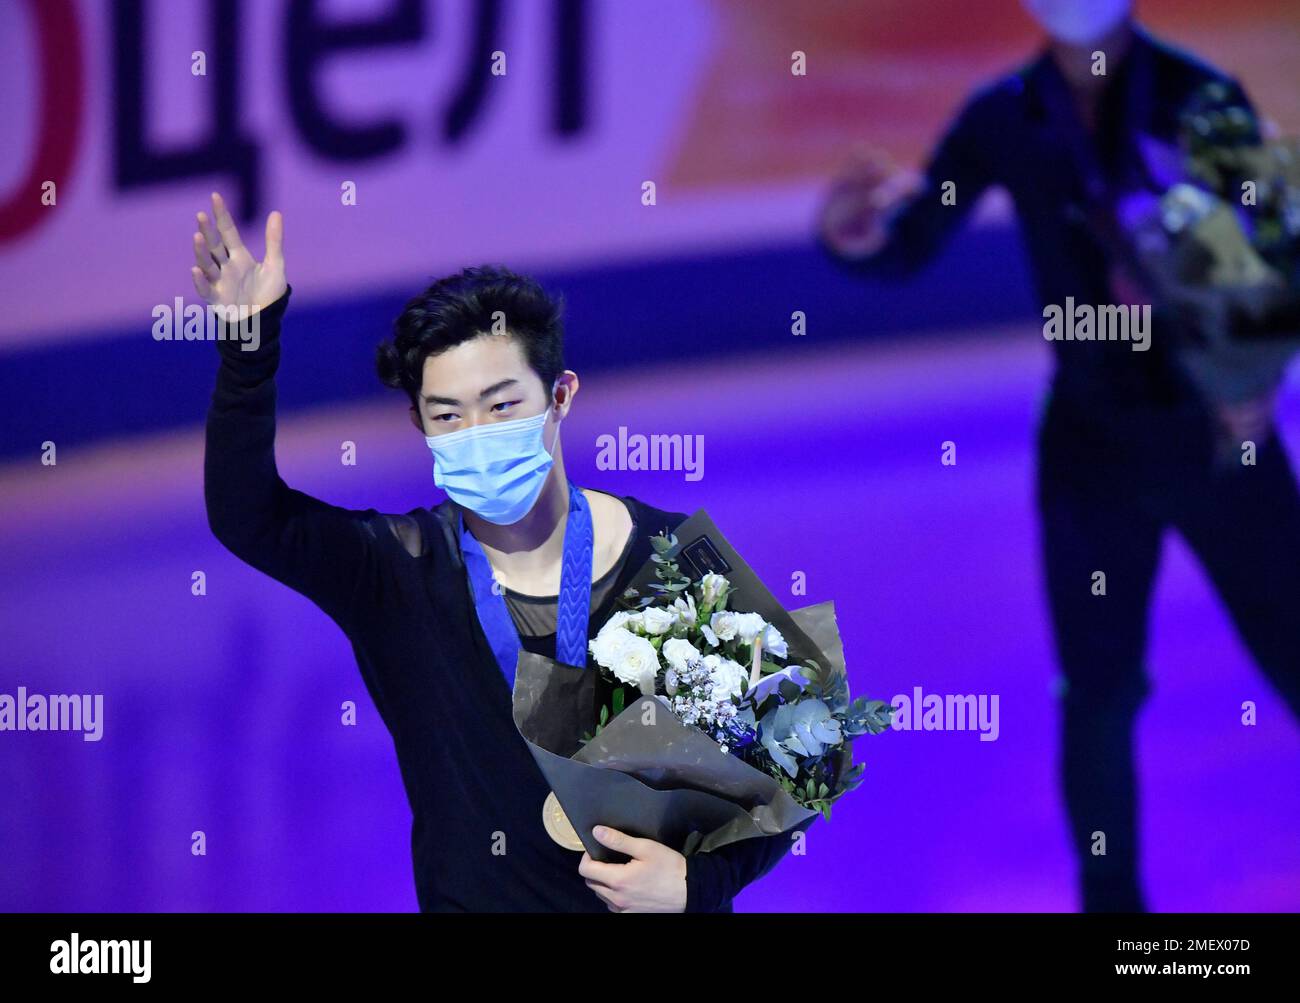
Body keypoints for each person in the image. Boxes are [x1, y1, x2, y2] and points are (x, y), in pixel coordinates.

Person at [818, 1, 1300, 911]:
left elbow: (1284, 255)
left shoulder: (1203, 101)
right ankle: (1115, 920)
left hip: (1217, 439)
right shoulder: (1006, 114)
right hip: (1094, 454)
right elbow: (913, 239)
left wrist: (1255, 384)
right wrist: (854, 239)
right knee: (1100, 693)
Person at [194, 191, 800, 912]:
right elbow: (247, 515)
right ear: (418, 425)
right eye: (447, 415)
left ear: (561, 395)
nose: (476, 432)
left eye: (503, 405)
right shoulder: (396, 574)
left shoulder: (668, 561)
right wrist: (248, 351)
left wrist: (701, 886)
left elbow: (792, 752)